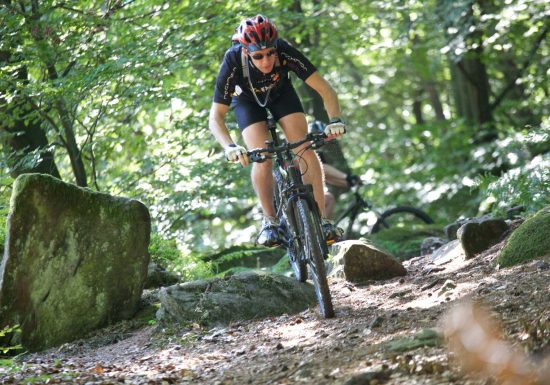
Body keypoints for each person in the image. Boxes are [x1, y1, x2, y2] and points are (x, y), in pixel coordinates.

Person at [208, 15, 346, 247]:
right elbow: (215, 117)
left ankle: (323, 221)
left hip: (281, 94)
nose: (266, 61)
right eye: (258, 56)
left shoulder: (284, 50)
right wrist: (229, 146)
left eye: (270, 53)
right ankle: (270, 221)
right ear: (245, 51)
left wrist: (335, 120)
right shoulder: (232, 60)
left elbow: (326, 90)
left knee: (304, 147)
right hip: (248, 102)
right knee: (262, 157)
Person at [308, 121, 361, 220]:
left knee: (329, 198)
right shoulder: (307, 153)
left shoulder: (318, 153)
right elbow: (322, 168)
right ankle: (325, 230)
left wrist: (349, 183)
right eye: (317, 137)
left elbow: (326, 177)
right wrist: (346, 177)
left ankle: (324, 230)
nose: (322, 141)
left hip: (308, 192)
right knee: (329, 198)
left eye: (322, 137)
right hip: (299, 194)